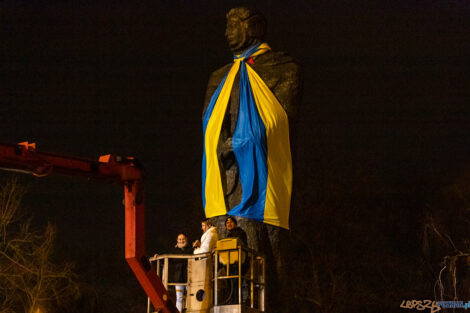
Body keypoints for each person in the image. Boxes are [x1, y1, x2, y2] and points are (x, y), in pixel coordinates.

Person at [153, 233, 192, 312]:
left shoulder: (191, 250)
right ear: (177, 240)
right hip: (178, 278)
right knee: (179, 297)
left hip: (189, 277)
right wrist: (159, 257)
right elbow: (167, 260)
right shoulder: (174, 250)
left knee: (190, 296)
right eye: (180, 239)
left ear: (186, 240)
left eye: (183, 239)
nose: (181, 241)